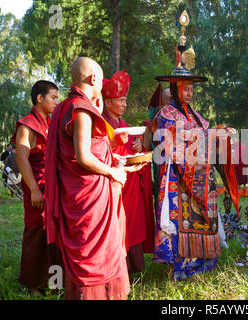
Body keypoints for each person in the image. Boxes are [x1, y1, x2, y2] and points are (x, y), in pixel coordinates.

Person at [45, 57, 142, 300]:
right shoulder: (82, 109)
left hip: (82, 193)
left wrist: (113, 159)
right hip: (89, 199)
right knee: (95, 254)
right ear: (94, 79)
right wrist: (112, 172)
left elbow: (90, 149)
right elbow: (83, 156)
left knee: (91, 250)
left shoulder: (64, 107)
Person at [152, 37, 239, 281]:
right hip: (176, 180)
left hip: (202, 180)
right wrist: (212, 134)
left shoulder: (197, 116)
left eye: (191, 89)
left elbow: (203, 133)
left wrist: (221, 134)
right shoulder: (167, 114)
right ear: (176, 89)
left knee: (203, 218)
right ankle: (179, 267)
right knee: (179, 221)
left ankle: (204, 263)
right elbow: (178, 139)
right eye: (185, 89)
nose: (189, 93)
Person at [102, 70, 155, 275]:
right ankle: (116, 266)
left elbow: (134, 149)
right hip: (113, 183)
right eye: (120, 100)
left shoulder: (125, 125)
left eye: (125, 100)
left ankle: (134, 266)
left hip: (131, 182)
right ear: (107, 103)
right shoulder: (101, 124)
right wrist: (114, 142)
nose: (124, 104)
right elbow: (98, 151)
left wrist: (139, 147)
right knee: (115, 225)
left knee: (132, 223)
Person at [12, 80, 63, 293]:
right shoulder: (27, 124)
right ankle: (33, 284)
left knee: (54, 234)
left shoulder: (51, 122)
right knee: (36, 233)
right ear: (40, 98)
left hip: (52, 186)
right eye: (53, 97)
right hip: (37, 186)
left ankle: (55, 283)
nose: (56, 101)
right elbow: (22, 159)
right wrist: (33, 188)